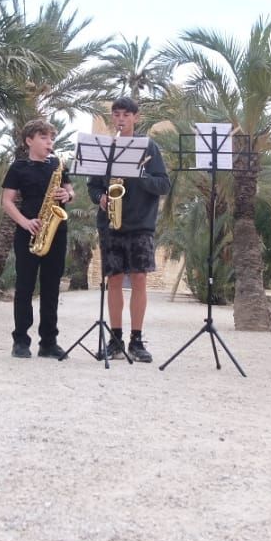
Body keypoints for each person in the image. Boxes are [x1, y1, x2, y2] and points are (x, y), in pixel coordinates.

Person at [86, 97, 172, 361]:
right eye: (117, 114)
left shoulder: (149, 148)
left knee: (139, 279)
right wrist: (100, 196)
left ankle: (136, 340)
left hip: (141, 224)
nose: (121, 119)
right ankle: (115, 340)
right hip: (111, 223)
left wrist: (140, 174)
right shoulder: (105, 149)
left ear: (136, 117)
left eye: (126, 114)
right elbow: (93, 185)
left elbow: (163, 185)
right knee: (112, 280)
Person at [0, 120, 75, 359]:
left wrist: (68, 194)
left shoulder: (58, 165)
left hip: (57, 231)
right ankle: (21, 340)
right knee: (25, 287)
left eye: (51, 138)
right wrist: (25, 222)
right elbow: (7, 201)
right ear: (29, 140)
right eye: (43, 137)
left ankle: (48, 342)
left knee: (52, 287)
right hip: (29, 231)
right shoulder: (18, 167)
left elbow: (71, 191)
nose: (49, 142)